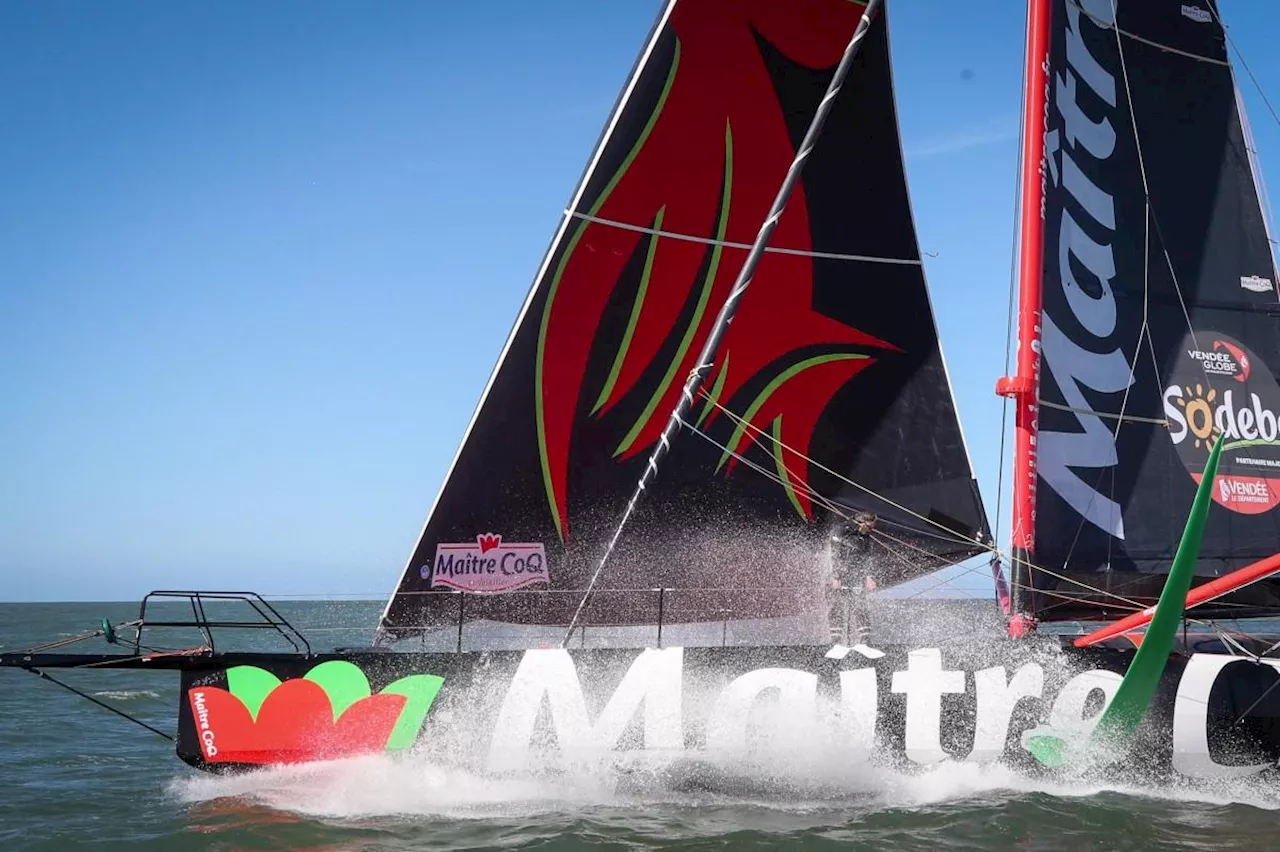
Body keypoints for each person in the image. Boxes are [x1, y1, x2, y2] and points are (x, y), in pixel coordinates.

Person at [829, 511, 878, 645]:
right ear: (861, 523)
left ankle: (865, 641)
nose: (871, 530)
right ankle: (836, 641)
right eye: (869, 527)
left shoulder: (867, 538)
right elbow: (835, 554)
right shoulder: (842, 531)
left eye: (872, 528)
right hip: (838, 575)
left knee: (860, 605)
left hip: (856, 576)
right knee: (837, 605)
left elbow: (868, 559)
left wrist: (869, 577)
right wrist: (836, 576)